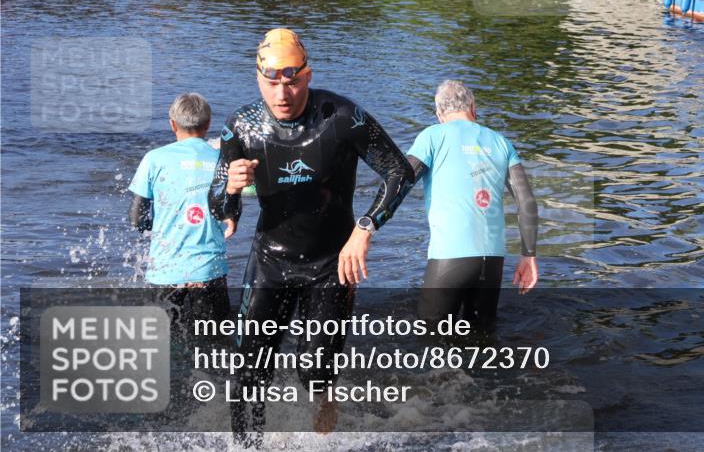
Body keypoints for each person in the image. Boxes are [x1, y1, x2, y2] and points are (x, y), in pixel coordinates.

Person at [209, 28, 414, 444]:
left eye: (292, 81)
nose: (282, 94)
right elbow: (220, 209)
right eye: (271, 83)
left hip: (331, 263)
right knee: (247, 369)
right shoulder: (240, 128)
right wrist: (229, 189)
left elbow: (399, 171)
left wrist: (365, 228)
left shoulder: (341, 117)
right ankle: (245, 446)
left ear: (308, 74)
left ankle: (325, 415)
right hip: (270, 259)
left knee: (314, 370)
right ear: (258, 79)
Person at [407, 80, 539, 334]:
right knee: (483, 341)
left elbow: (401, 180)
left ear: (439, 115)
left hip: (449, 258)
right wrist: (529, 255)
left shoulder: (432, 136)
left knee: (429, 341)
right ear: (473, 109)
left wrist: (368, 226)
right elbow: (527, 202)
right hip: (492, 262)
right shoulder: (501, 142)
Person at [128, 93, 237, 330]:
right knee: (212, 348)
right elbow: (233, 205)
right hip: (210, 271)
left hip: (165, 272)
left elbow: (137, 219)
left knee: (163, 348)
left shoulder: (154, 159)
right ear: (208, 125)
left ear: (172, 124)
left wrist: (156, 228)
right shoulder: (224, 160)